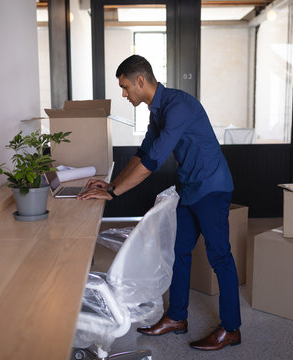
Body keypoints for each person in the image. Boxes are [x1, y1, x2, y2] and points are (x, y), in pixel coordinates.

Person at [78, 54, 241, 351]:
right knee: (179, 252)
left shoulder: (178, 106)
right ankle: (177, 318)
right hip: (189, 188)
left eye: (126, 87)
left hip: (212, 187)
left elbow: (152, 162)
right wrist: (112, 185)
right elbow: (144, 152)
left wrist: (114, 194)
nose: (124, 94)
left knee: (220, 257)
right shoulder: (158, 110)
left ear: (141, 81)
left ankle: (231, 329)